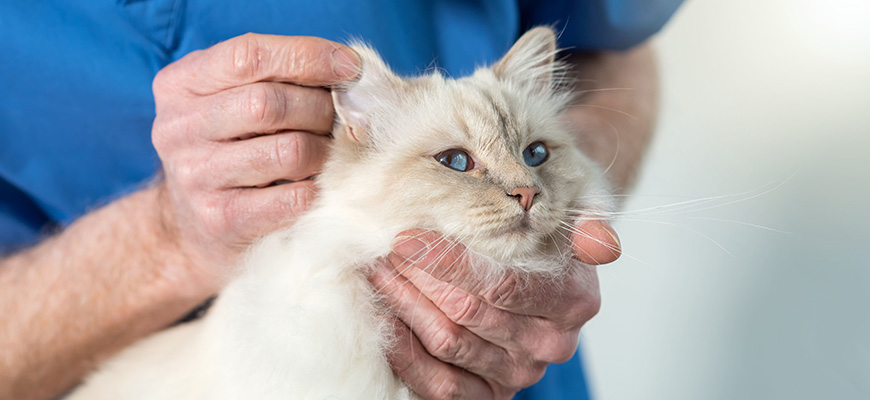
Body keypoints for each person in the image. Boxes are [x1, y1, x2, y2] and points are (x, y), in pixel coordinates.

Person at [0, 1, 681, 399]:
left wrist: (578, 205)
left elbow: (610, 46)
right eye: (456, 162)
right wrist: (164, 240)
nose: (519, 189)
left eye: (530, 161)